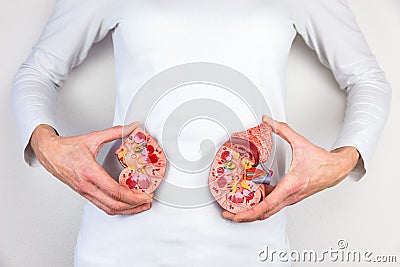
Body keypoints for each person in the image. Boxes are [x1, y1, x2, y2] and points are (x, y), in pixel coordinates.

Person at [12, 0, 391, 266]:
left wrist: (343, 160)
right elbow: (38, 73)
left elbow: (367, 79)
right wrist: (47, 146)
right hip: (119, 249)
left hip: (250, 248)